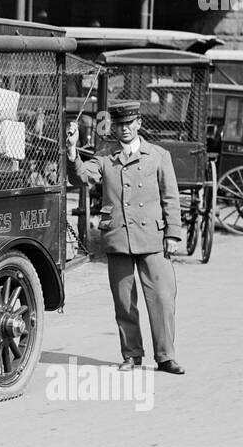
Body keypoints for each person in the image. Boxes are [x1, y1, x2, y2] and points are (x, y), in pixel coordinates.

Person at [66, 100, 186, 374]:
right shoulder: (106, 158)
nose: (124, 130)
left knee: (162, 299)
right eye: (119, 125)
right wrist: (72, 150)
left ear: (139, 124)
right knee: (123, 301)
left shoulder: (158, 156)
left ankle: (166, 357)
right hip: (119, 237)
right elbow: (81, 178)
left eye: (129, 124)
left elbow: (171, 197)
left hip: (153, 238)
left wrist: (173, 234)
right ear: (114, 128)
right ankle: (131, 355)